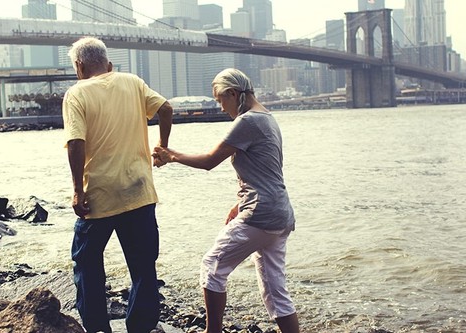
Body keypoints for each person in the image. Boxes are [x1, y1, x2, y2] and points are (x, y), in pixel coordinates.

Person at [153, 68, 300, 333]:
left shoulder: (248, 121)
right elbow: (265, 170)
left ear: (233, 93)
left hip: (261, 213)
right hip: (280, 213)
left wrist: (172, 155)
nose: (221, 108)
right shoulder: (267, 117)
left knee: (212, 268)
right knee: (276, 290)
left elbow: (210, 161)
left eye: (221, 100)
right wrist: (239, 202)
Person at [62, 37, 173, 333]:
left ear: (79, 67)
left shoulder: (76, 93)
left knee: (87, 262)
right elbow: (166, 109)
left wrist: (77, 190)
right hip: (139, 192)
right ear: (109, 64)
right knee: (143, 267)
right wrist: (162, 147)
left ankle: (98, 327)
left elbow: (75, 142)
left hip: (99, 196)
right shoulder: (133, 82)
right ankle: (140, 327)